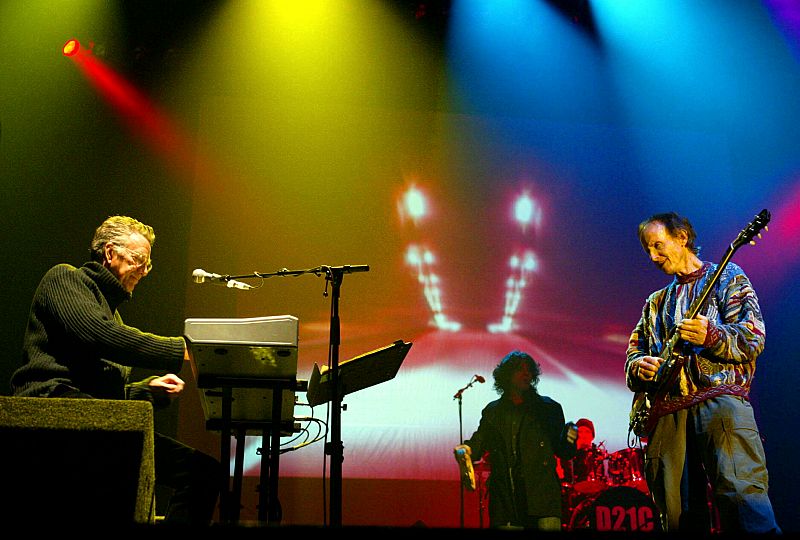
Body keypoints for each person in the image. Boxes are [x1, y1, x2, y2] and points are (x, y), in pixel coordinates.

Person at [10, 215, 220, 526]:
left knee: (202, 471)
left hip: (91, 414)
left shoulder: (113, 317)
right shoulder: (65, 279)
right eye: (139, 260)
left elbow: (105, 395)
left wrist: (147, 391)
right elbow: (98, 335)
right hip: (50, 406)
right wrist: (181, 349)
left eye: (147, 265)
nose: (143, 271)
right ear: (110, 253)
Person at [625, 211, 780, 533]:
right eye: (647, 249)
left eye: (657, 245)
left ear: (682, 237)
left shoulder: (728, 277)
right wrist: (638, 366)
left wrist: (712, 336)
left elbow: (753, 338)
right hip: (667, 413)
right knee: (675, 514)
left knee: (743, 500)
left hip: (720, 404)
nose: (652, 256)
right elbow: (634, 353)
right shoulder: (655, 303)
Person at [454, 350, 578, 531]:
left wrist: (570, 438)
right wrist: (466, 450)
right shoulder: (493, 412)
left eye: (529, 370)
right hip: (506, 501)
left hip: (543, 500)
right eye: (520, 369)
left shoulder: (548, 408)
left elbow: (564, 452)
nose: (527, 374)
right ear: (506, 375)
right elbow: (479, 444)